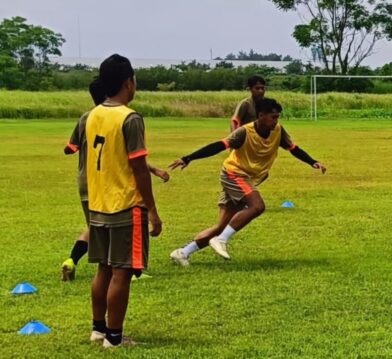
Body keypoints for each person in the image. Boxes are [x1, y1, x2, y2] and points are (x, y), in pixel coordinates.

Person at [169, 98, 326, 266]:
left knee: (222, 225)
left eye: (278, 117)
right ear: (261, 115)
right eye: (273, 117)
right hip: (234, 174)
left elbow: (293, 148)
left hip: (248, 178)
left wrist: (312, 161)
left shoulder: (278, 131)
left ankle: (182, 253)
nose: (276, 121)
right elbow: (219, 146)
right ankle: (221, 240)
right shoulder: (244, 132)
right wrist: (189, 158)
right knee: (257, 206)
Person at [85, 54, 162, 348]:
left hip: (98, 204)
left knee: (103, 268)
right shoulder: (130, 118)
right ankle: (114, 338)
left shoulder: (93, 114)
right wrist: (152, 209)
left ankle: (98, 329)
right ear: (128, 82)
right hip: (125, 205)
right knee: (122, 272)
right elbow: (139, 168)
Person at [61, 80, 169, 282]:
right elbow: (127, 160)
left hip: (87, 182)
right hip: (109, 182)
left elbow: (70, 148)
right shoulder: (123, 117)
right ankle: (128, 270)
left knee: (95, 229)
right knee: (114, 229)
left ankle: (71, 260)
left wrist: (153, 169)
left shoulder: (87, 117)